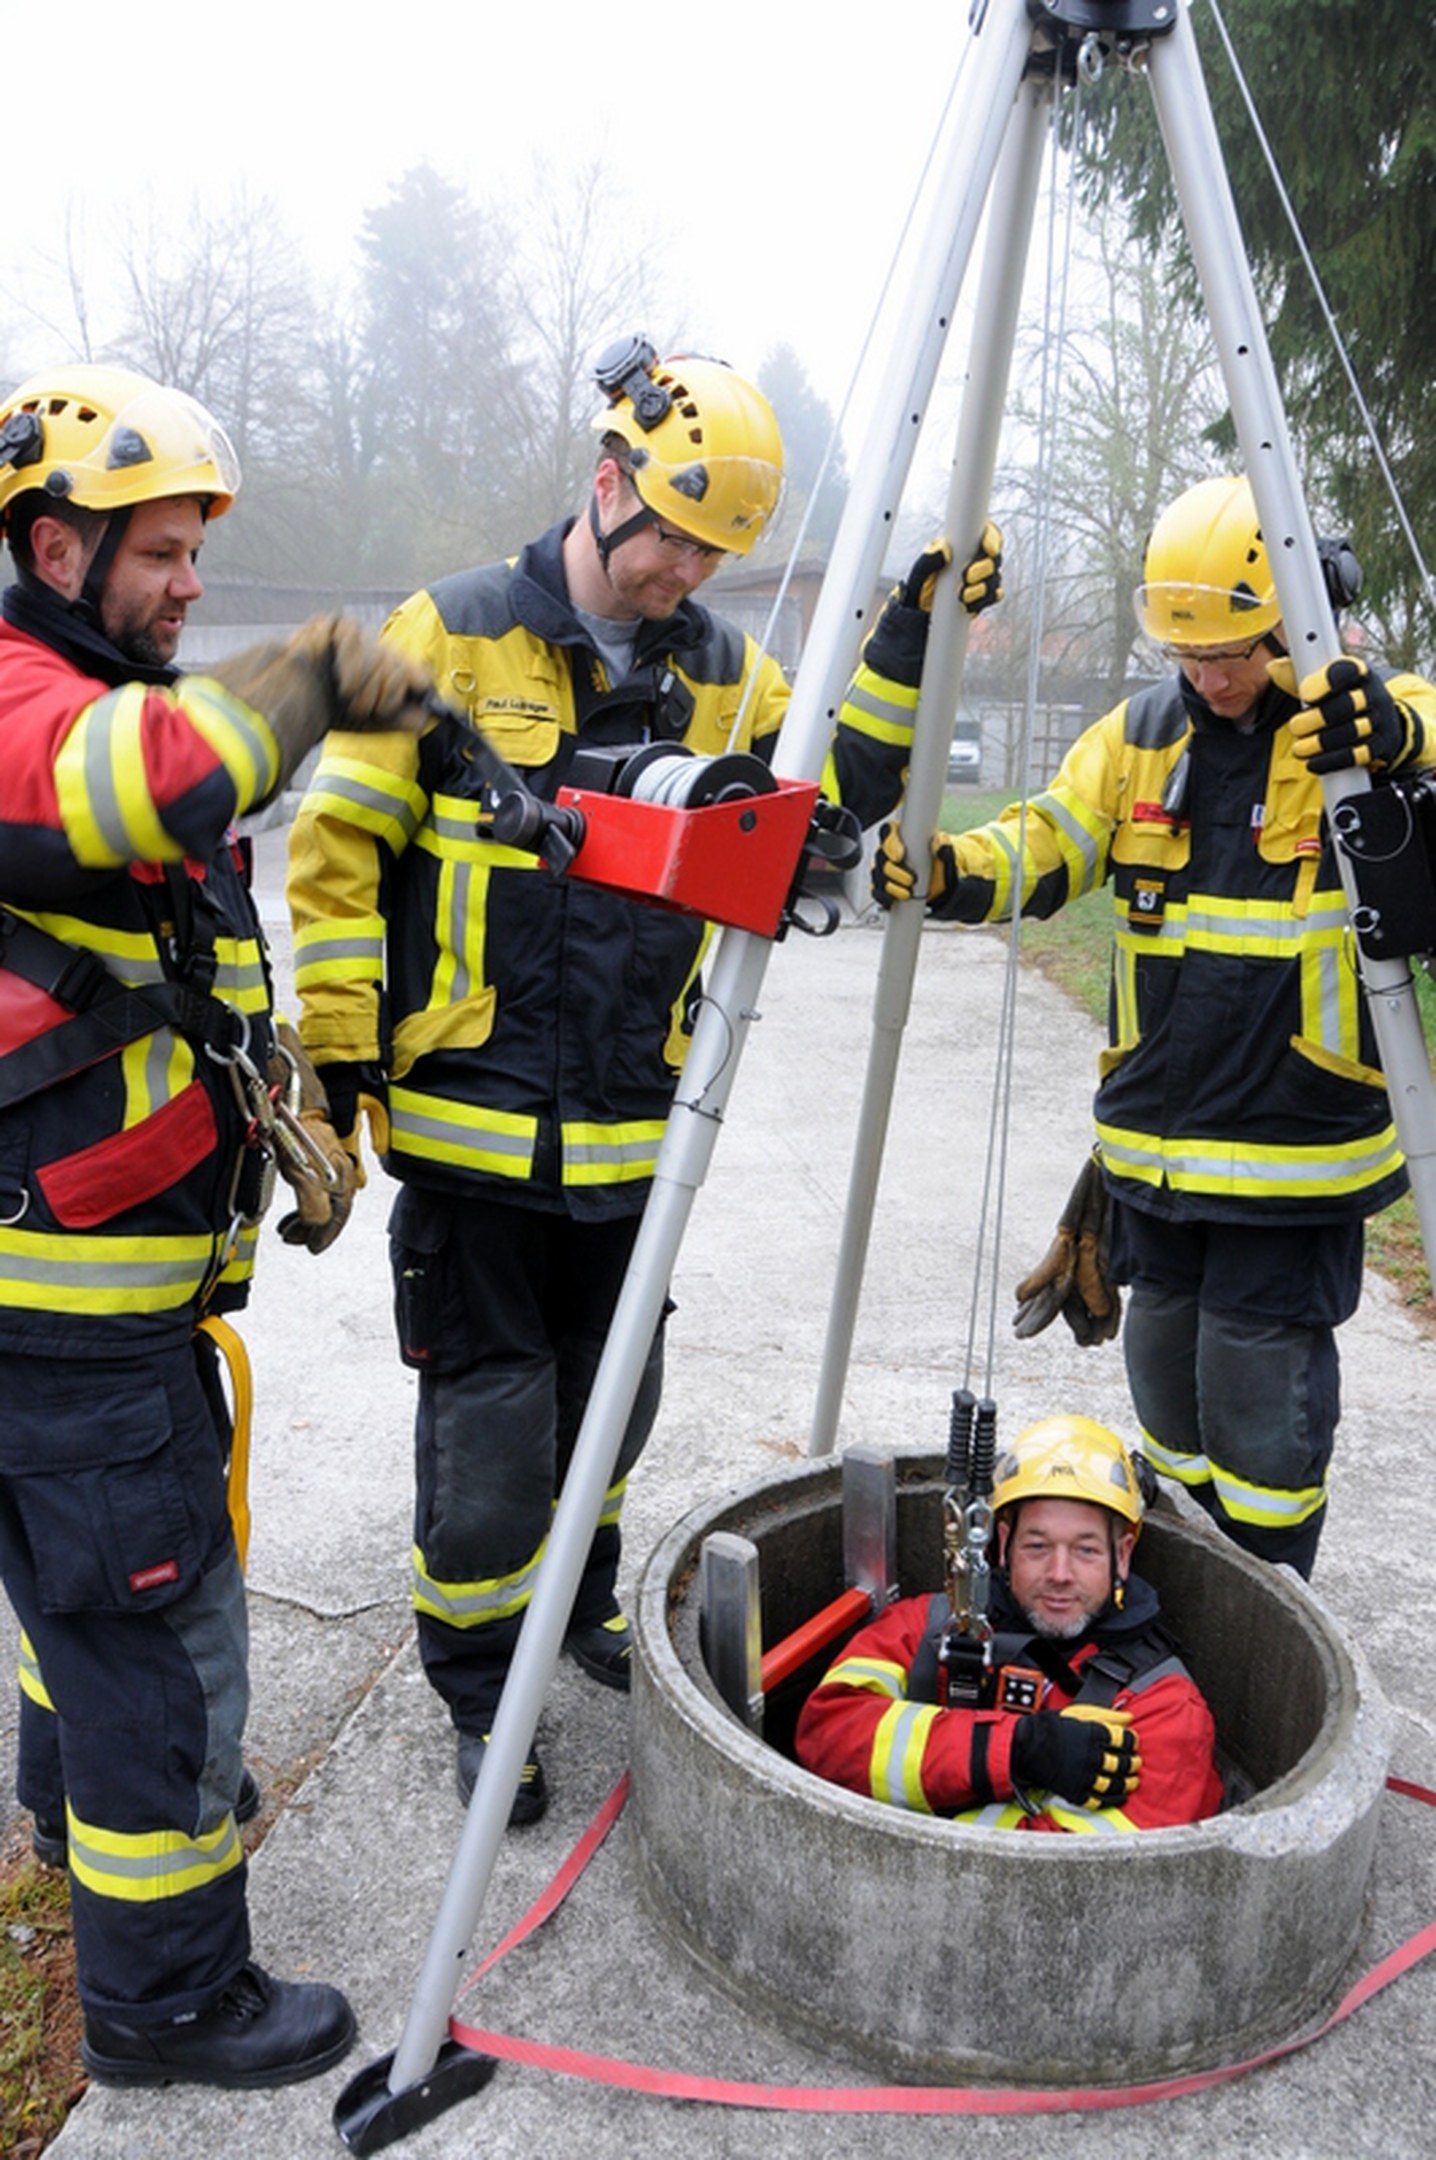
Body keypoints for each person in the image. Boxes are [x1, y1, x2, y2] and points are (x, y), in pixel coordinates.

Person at [286, 333, 1003, 1825]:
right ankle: (482, 1690)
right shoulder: (450, 633)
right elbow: (338, 849)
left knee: (610, 1415)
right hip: (474, 1139)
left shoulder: (727, 672)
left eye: (715, 551)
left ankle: (580, 1605)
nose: (689, 571)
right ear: (608, 483)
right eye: (675, 535)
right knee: (490, 1445)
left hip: (634, 1138)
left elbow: (825, 797)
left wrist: (901, 646)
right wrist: (339, 1051)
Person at [0, 363, 431, 2088]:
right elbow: (141, 785)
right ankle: (172, 1999)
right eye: (164, 553)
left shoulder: (80, 680)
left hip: (71, 1299)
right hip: (71, 1318)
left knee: (80, 1607)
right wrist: (313, 671)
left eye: (197, 553)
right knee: (160, 1642)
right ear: (55, 546)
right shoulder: (34, 703)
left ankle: (69, 1813)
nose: (192, 585)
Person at [871, 476, 1436, 1578]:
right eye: (1187, 654)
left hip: (1293, 1153)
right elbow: (1049, 838)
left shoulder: (1356, 721)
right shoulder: (1137, 736)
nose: (1208, 678)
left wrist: (1401, 733)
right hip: (1154, 1154)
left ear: (1295, 618)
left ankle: (1271, 1607)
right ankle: (1182, 1583)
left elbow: (1421, 714)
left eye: (1231, 653)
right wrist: (948, 869)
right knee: (1165, 1378)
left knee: (1257, 1395)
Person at [795, 1416, 1224, 1831]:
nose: (1060, 1573)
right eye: (1037, 1546)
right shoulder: (928, 1628)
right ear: (1003, 1544)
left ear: (1123, 1555)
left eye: (1086, 1550)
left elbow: (1086, 1872)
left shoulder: (1163, 1705)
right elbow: (826, 1736)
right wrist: (1015, 1749)